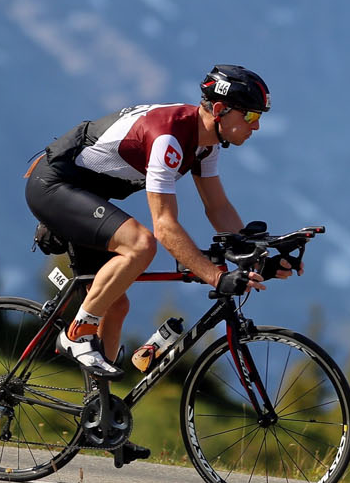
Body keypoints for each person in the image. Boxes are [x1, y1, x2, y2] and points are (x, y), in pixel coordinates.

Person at [24, 64, 284, 391]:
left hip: (86, 195)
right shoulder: (169, 138)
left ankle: (100, 419)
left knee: (115, 304)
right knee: (141, 244)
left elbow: (218, 208)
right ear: (219, 110)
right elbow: (164, 226)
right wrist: (215, 276)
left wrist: (262, 257)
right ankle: (76, 333)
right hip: (54, 184)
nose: (256, 126)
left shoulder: (205, 144)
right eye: (249, 116)